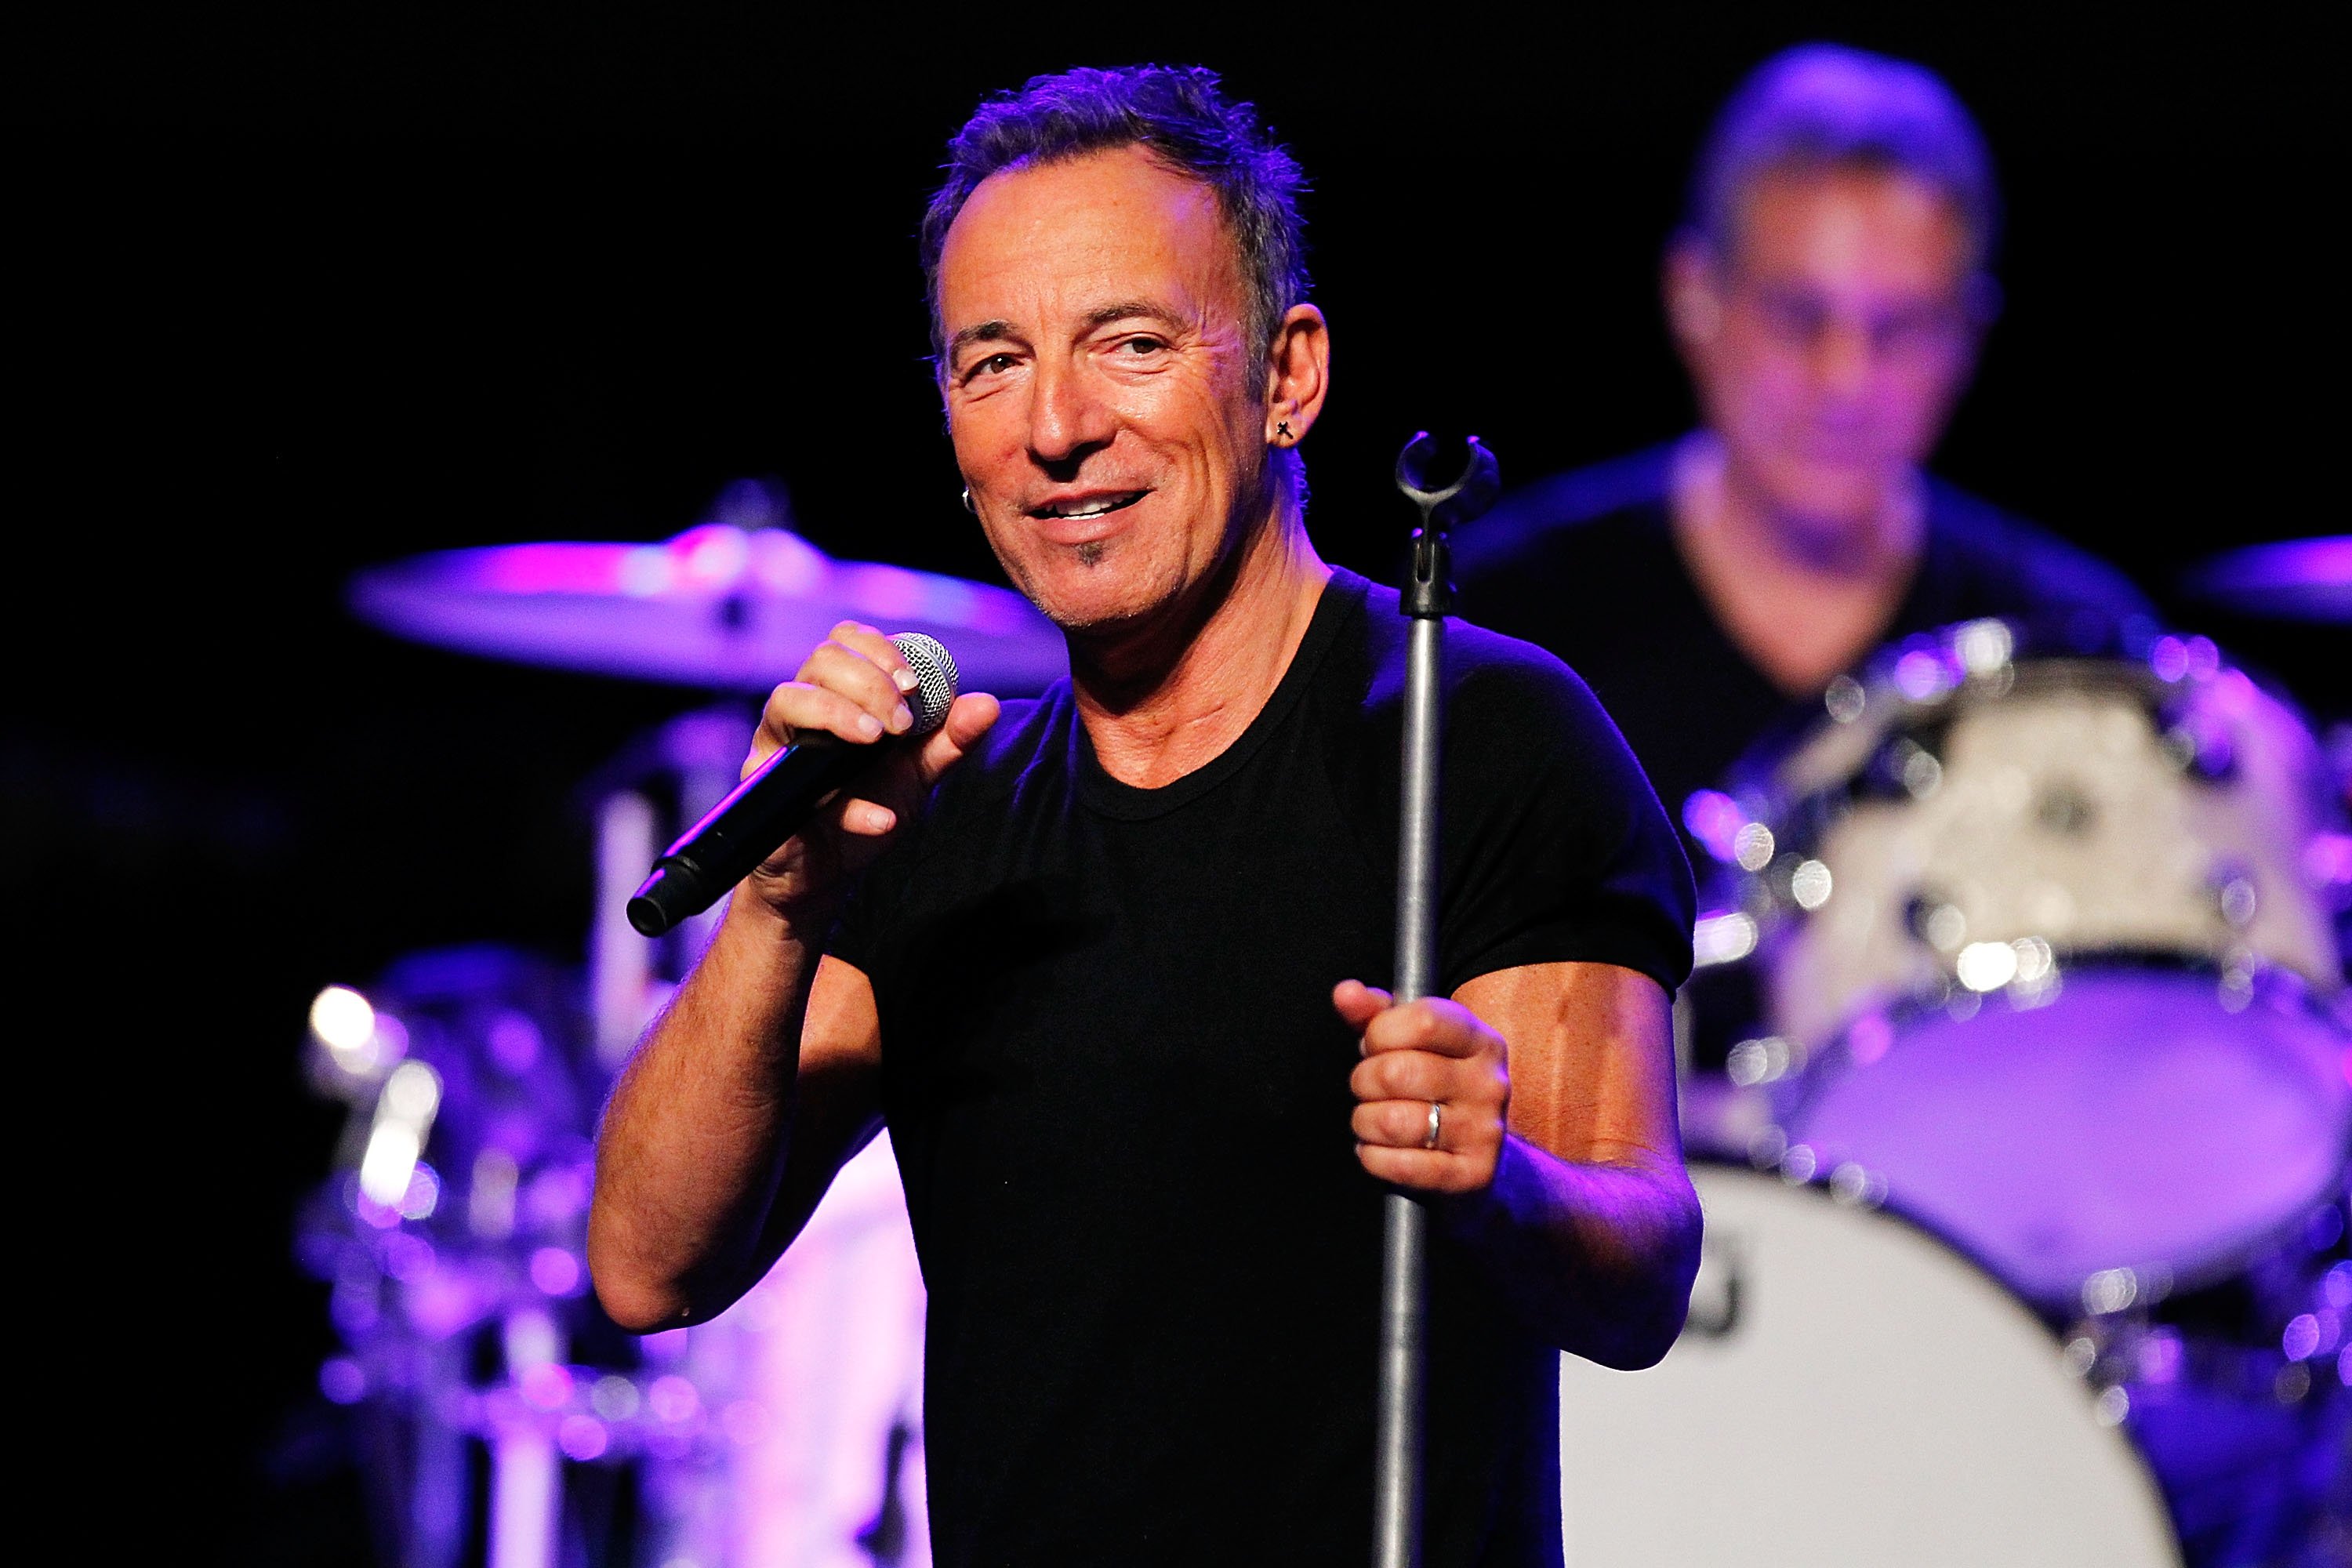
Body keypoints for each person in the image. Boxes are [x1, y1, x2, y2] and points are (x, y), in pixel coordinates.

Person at [589, 65, 1699, 1567]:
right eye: (992, 363)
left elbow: (1640, 1276)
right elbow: (648, 1270)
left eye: (1129, 344)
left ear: (1289, 377)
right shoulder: (939, 809)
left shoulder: (1483, 735)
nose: (1056, 427)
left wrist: (1502, 1184)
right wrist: (779, 906)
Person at [1454, 44, 2154, 860]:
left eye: (1899, 329)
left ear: (1966, 338)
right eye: (1798, 318)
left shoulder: (2073, 650)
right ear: (1694, 299)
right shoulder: (1503, 625)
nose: (1845, 381)